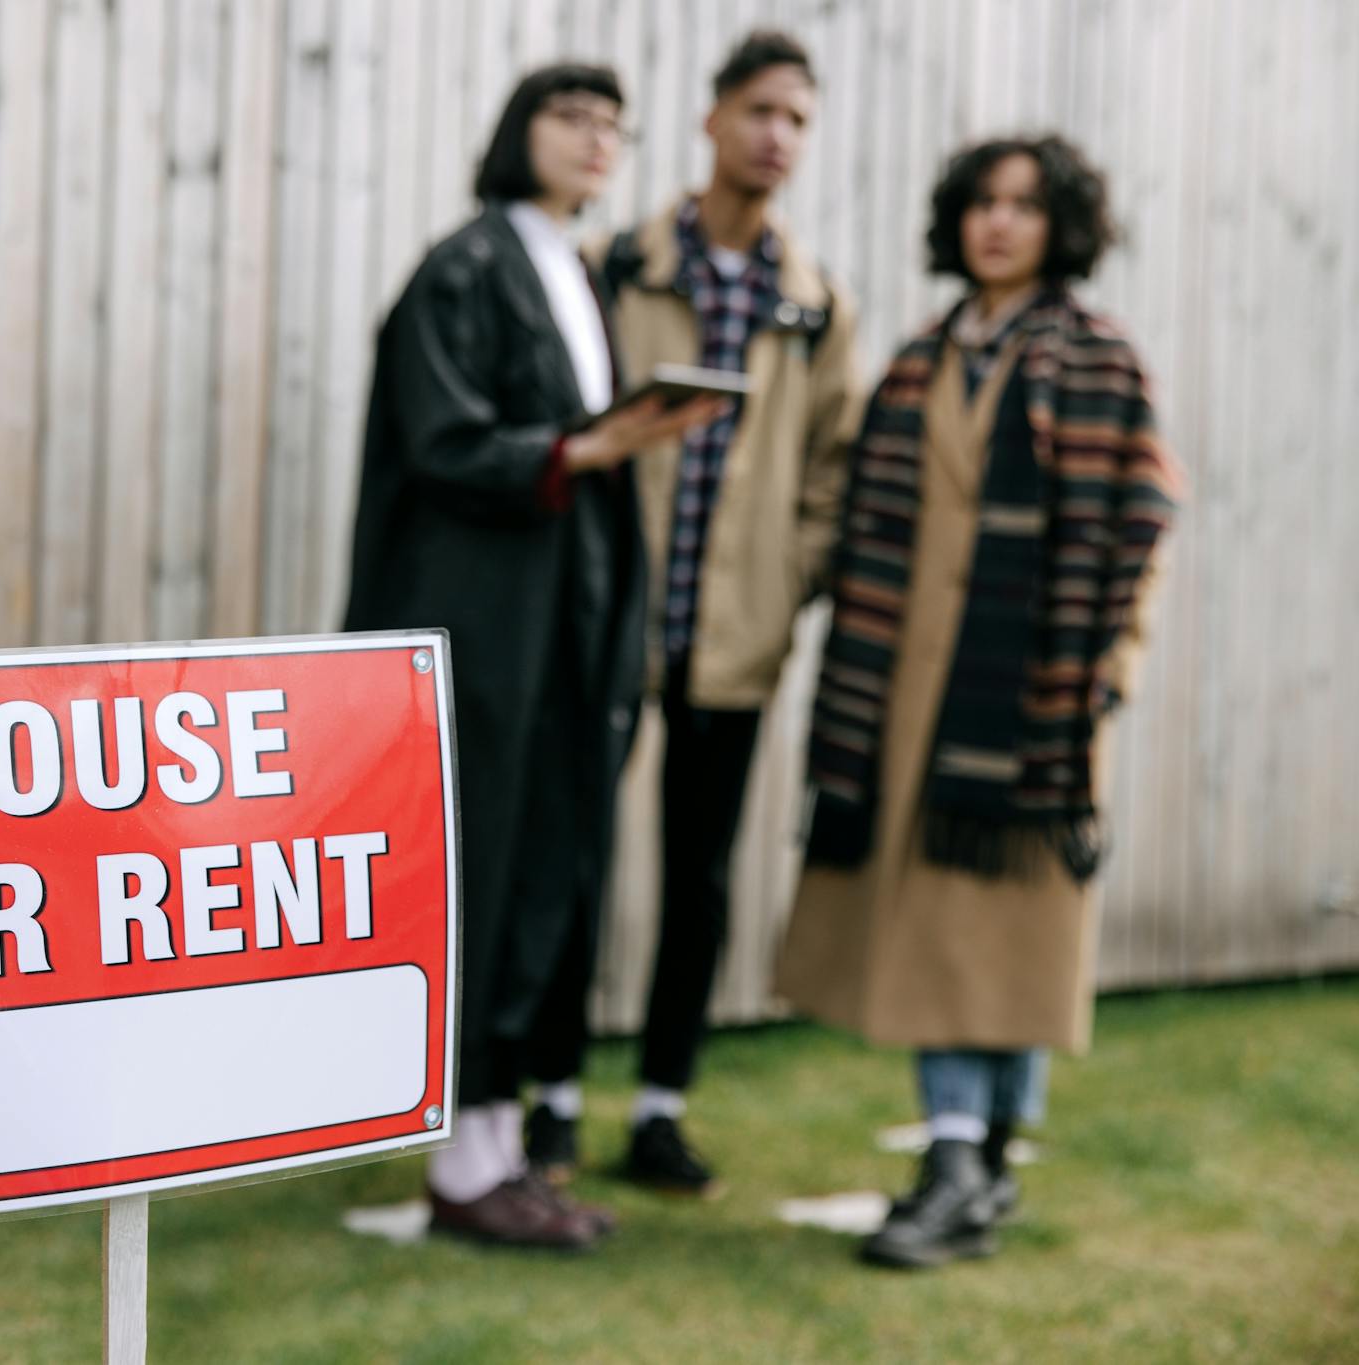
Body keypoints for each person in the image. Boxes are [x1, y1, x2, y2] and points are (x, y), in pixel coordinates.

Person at [773, 133, 1181, 1268]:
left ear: (1062, 227)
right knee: (944, 937)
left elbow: (1141, 526)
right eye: (981, 203)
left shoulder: (1097, 357)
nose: (997, 224)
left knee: (1003, 939)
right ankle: (966, 1163)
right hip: (907, 702)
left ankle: (967, 1165)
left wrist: (1100, 680)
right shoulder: (913, 359)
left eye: (1024, 206)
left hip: (1032, 697)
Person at [344, 64, 724, 1249]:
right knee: (480, 873)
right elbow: (446, 439)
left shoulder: (573, 269)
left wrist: (616, 441)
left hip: (561, 631)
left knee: (545, 871)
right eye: (573, 119)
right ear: (519, 133)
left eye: (615, 126)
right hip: (482, 631)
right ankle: (461, 1169)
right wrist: (593, 446)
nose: (597, 142)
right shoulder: (463, 269)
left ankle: (504, 1148)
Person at [522, 30, 864, 1196]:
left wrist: (783, 583)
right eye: (760, 110)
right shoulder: (617, 266)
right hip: (610, 628)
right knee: (574, 862)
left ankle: (661, 1105)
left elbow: (831, 474)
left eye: (799, 121)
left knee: (697, 878)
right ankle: (552, 1098)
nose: (777, 136)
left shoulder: (817, 309)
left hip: (735, 643)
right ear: (711, 120)